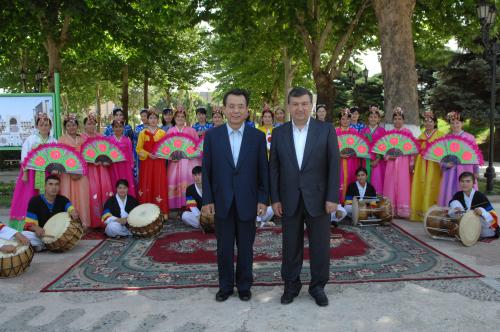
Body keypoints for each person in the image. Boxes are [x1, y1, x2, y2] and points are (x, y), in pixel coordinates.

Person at [270, 87, 340, 307]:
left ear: (311, 105)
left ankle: (317, 286)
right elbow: (274, 168)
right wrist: (275, 198)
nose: (300, 108)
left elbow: (334, 165)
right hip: (289, 198)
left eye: (304, 104)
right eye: (295, 104)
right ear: (289, 106)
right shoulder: (279, 133)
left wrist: (332, 197)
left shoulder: (326, 130)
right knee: (291, 245)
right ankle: (291, 285)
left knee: (320, 245)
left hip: (319, 198)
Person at [202, 88, 269, 302]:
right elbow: (207, 169)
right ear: (224, 109)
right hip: (222, 201)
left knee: (246, 247)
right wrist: (207, 200)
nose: (236, 111)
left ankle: (244, 286)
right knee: (223, 247)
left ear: (248, 111)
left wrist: (262, 198)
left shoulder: (257, 137)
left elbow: (263, 170)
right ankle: (225, 286)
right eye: (231, 106)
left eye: (241, 107)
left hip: (248, 200)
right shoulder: (212, 136)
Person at [184, 166, 274, 229]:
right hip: (201, 216)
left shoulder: (211, 186)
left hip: (216, 215)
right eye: (195, 175)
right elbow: (193, 207)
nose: (197, 177)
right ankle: (206, 226)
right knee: (185, 216)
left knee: (271, 209)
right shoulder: (190, 189)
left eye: (199, 174)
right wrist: (202, 218)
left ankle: (258, 223)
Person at [10, 113, 57, 229]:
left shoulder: (54, 141)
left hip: (48, 173)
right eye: (41, 125)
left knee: (48, 196)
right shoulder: (30, 140)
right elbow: (24, 156)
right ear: (37, 126)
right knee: (29, 197)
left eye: (46, 125)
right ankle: (27, 224)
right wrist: (25, 173)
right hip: (32, 174)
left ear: (50, 126)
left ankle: (47, 222)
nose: (44, 127)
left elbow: (57, 156)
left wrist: (56, 169)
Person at [24, 175, 79, 251]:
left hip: (58, 236)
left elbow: (71, 209)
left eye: (57, 184)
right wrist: (36, 228)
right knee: (25, 235)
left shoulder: (63, 200)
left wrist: (74, 212)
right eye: (50, 184)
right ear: (45, 186)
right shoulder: (35, 201)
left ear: (59, 187)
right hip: (41, 236)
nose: (54, 187)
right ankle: (44, 245)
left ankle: (42, 246)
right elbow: (28, 224)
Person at [438, 111, 480, 206]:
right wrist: (445, 164)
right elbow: (440, 157)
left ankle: (467, 214)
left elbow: (475, 156)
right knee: (450, 192)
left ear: (462, 123)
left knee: (466, 188)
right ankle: (451, 214)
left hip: (466, 169)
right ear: (449, 124)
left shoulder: (470, 138)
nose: (455, 125)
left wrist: (476, 171)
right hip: (450, 172)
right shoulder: (446, 138)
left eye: (457, 122)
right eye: (452, 123)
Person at [410, 111, 444, 221]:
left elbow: (444, 152)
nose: (428, 123)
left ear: (434, 123)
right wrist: (413, 164)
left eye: (430, 121)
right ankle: (420, 213)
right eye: (426, 121)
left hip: (434, 166)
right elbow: (415, 153)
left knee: (433, 186)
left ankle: (432, 214)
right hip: (421, 165)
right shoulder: (421, 136)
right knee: (421, 185)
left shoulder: (441, 136)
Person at [81, 114, 114, 228]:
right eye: (89, 123)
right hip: (90, 169)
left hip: (102, 169)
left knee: (104, 190)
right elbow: (79, 155)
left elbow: (108, 152)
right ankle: (94, 220)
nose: (91, 126)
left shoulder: (101, 136)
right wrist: (90, 162)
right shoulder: (81, 138)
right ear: (84, 125)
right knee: (92, 192)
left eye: (93, 123)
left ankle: (106, 218)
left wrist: (106, 161)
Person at [58, 114, 91, 228]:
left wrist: (79, 169)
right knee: (68, 195)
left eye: (73, 125)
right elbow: (60, 157)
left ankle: (84, 223)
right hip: (67, 173)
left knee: (83, 196)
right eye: (68, 126)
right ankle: (69, 225)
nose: (71, 127)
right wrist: (70, 170)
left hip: (81, 171)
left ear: (77, 126)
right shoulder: (61, 139)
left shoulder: (83, 139)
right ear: (65, 128)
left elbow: (87, 154)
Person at [167, 109, 201, 213]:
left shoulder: (191, 130)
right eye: (178, 117)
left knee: (189, 180)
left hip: (189, 161)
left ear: (185, 118)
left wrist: (192, 153)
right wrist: (171, 156)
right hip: (175, 162)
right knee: (175, 181)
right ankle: (177, 206)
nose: (180, 118)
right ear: (175, 118)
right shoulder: (170, 131)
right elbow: (166, 147)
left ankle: (190, 205)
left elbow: (197, 145)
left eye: (182, 117)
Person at [382, 107, 414, 219]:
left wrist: (411, 164)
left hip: (404, 163)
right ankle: (390, 210)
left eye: (400, 118)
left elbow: (412, 151)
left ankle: (402, 211)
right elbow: (383, 150)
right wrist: (388, 156)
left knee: (403, 185)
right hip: (391, 164)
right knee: (390, 184)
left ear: (403, 120)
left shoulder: (408, 133)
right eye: (395, 118)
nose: (397, 121)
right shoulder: (389, 133)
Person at [136, 109, 169, 214]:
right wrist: (149, 154)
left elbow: (166, 148)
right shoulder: (142, 133)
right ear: (147, 119)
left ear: (158, 119)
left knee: (159, 183)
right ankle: (146, 212)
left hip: (159, 162)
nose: (153, 120)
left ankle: (161, 211)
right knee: (147, 183)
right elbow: (138, 149)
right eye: (151, 118)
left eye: (155, 118)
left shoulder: (162, 132)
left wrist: (160, 154)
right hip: (147, 163)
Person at [449, 172, 499, 239]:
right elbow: (451, 208)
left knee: (487, 232)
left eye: (468, 181)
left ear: (473, 183)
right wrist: (455, 209)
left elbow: (493, 214)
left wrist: (482, 212)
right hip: (463, 224)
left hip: (479, 225)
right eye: (462, 181)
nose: (464, 184)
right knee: (454, 203)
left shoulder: (480, 196)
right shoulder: (458, 195)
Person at [336, 109, 360, 203]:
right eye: (343, 119)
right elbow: (330, 148)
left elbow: (359, 148)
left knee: (351, 178)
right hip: (339, 162)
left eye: (347, 119)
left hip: (352, 161)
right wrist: (339, 154)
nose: (345, 121)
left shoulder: (355, 132)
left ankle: (349, 203)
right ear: (340, 120)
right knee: (339, 179)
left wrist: (353, 152)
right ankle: (338, 203)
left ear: (350, 120)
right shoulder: (335, 132)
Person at [360, 107, 386, 194]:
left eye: (375, 117)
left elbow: (384, 146)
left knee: (377, 180)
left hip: (378, 161)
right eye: (371, 117)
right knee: (364, 178)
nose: (373, 119)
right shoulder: (363, 131)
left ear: (379, 119)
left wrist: (377, 159)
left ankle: (377, 201)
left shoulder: (382, 131)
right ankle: (365, 200)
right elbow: (360, 146)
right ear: (368, 118)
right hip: (365, 160)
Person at [108, 120, 137, 198]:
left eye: (120, 127)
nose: (118, 129)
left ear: (123, 128)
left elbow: (130, 153)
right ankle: (116, 202)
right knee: (115, 182)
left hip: (125, 166)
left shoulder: (127, 140)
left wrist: (131, 165)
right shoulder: (109, 140)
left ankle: (128, 202)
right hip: (113, 166)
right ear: (112, 128)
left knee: (126, 182)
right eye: (116, 127)